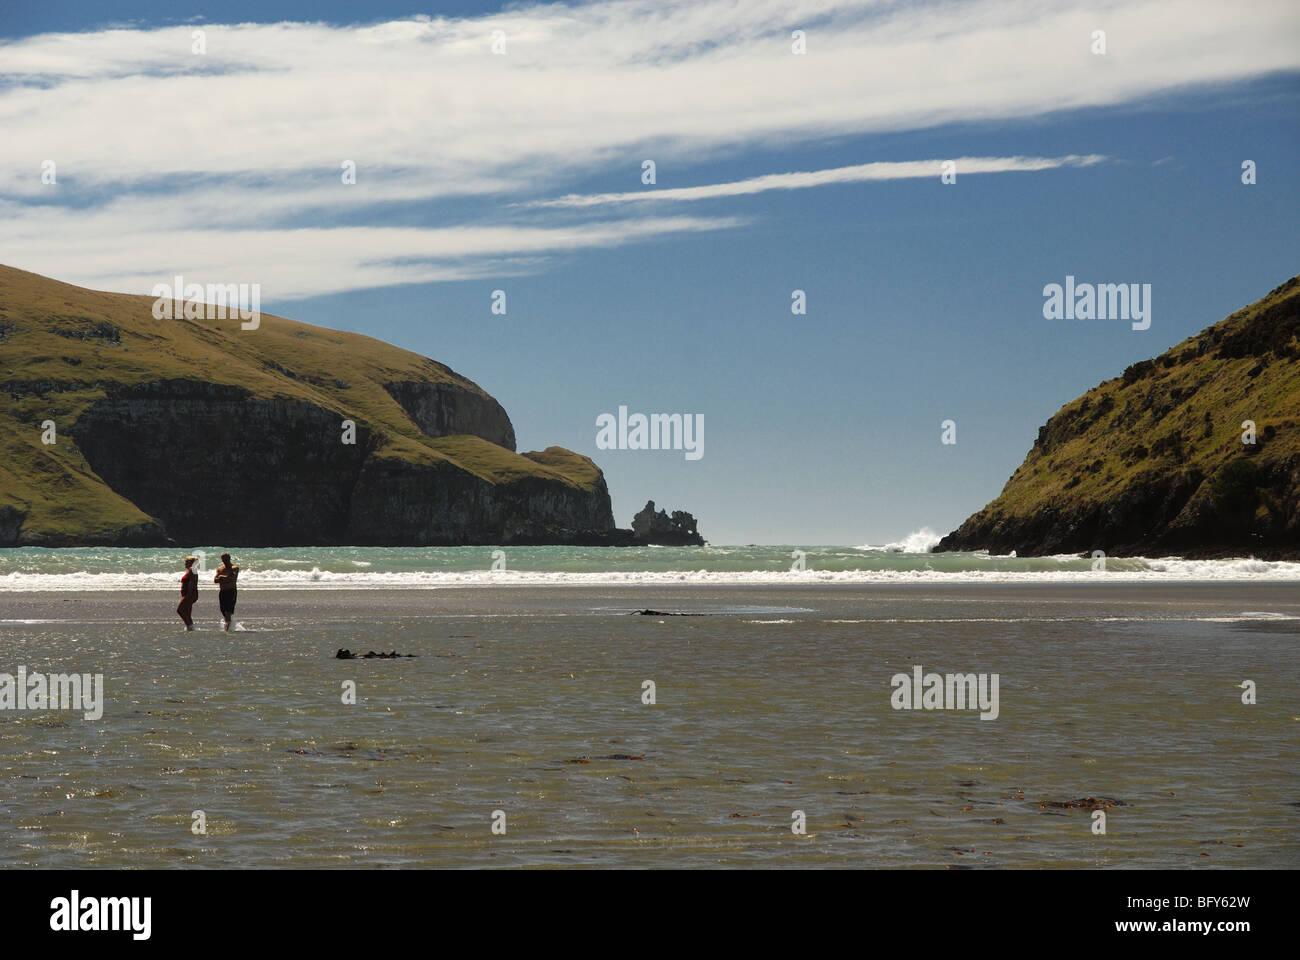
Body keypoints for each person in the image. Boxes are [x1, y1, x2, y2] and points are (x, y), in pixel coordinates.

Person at [214, 552, 240, 631]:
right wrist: (223, 578)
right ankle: (230, 625)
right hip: (222, 592)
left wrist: (222, 577)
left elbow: (232, 578)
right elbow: (215, 580)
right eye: (223, 559)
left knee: (228, 611)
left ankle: (227, 629)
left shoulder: (234, 568)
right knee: (223, 611)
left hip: (231, 591)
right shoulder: (220, 569)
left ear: (229, 558)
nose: (225, 560)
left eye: (226, 558)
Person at [177, 556, 198, 630]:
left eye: (187, 562)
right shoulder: (190, 570)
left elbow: (192, 583)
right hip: (188, 593)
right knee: (187, 613)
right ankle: (190, 628)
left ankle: (190, 627)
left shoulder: (192, 569)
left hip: (189, 594)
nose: (185, 563)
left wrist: (188, 595)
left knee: (180, 610)